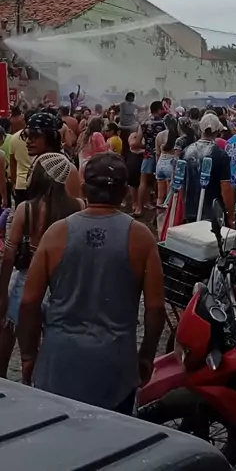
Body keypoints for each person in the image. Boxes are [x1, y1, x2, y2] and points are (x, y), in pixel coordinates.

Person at [17, 153, 165, 411]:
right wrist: (146, 356)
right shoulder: (141, 238)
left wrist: (29, 355)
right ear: (124, 194)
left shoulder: (56, 234)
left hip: (58, 364)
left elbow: (29, 302)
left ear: (84, 190)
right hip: (115, 370)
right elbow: (155, 309)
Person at [0, 153, 84, 377]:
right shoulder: (77, 207)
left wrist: (2, 293)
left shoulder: (26, 209)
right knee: (52, 344)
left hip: (27, 282)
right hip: (61, 286)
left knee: (24, 348)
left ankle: (12, 382)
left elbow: (8, 256)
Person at [182, 113, 234, 225]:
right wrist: (231, 216)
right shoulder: (220, 154)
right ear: (217, 131)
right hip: (213, 214)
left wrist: (183, 211)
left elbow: (181, 185)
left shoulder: (186, 151)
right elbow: (226, 188)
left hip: (190, 211)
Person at [25, 111, 82, 199]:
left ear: (50, 138)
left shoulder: (66, 168)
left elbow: (74, 203)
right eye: (26, 136)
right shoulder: (39, 161)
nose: (28, 141)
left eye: (34, 136)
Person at [137, 101, 166, 214]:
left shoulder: (144, 123)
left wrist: (147, 146)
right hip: (161, 155)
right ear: (159, 110)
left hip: (148, 154)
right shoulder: (164, 123)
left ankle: (139, 208)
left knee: (143, 182)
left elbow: (137, 142)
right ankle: (160, 209)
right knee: (160, 181)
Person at [155, 115, 178, 208]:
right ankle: (167, 216)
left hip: (160, 163)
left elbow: (157, 153)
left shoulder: (159, 135)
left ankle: (158, 215)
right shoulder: (176, 135)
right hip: (170, 164)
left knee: (160, 197)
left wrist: (156, 165)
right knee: (169, 198)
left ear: (164, 123)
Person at [119, 92, 138, 157]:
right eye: (132, 97)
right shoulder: (123, 104)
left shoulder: (131, 104)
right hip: (126, 126)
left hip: (127, 126)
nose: (133, 98)